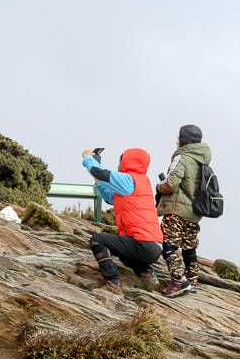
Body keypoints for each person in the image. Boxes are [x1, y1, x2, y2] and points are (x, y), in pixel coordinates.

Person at [82, 147, 164, 295]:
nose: (119, 165)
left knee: (97, 240)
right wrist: (95, 168)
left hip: (143, 244)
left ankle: (113, 282)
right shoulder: (140, 182)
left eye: (121, 161)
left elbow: (100, 172)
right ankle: (146, 274)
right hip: (153, 247)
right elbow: (109, 197)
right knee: (122, 251)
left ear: (127, 161)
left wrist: (88, 158)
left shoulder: (129, 179)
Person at [156, 124, 211, 297]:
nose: (176, 141)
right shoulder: (202, 160)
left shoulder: (181, 157)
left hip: (176, 208)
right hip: (195, 212)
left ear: (184, 139)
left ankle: (178, 280)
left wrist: (159, 187)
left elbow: (171, 184)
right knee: (189, 247)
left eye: (178, 137)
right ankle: (192, 282)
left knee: (168, 245)